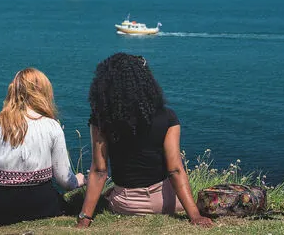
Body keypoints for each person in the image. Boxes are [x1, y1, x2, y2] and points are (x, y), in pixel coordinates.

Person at [76, 53, 213, 228]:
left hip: (126, 204)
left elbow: (99, 171)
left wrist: (84, 218)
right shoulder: (168, 117)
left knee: (111, 193)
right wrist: (195, 216)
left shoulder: (102, 120)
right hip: (168, 202)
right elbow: (175, 170)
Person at [0, 68, 84, 233]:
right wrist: (79, 180)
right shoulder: (52, 126)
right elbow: (63, 180)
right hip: (44, 207)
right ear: (42, 92)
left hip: (0, 212)